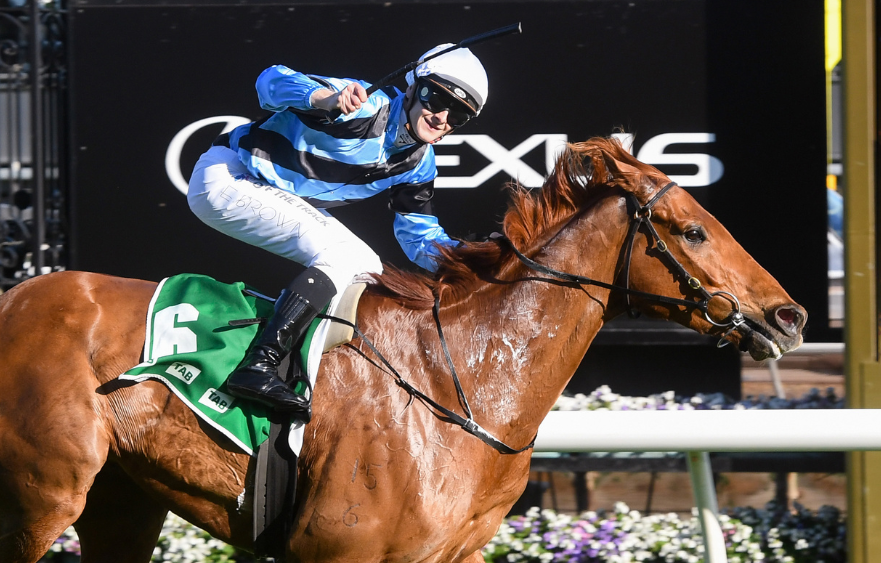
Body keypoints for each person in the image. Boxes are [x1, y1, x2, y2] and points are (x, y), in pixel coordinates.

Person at [187, 44, 489, 414]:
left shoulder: (420, 164)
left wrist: (473, 260)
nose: (441, 116)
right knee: (350, 256)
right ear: (411, 87)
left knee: (367, 268)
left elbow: (419, 236)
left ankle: (291, 366)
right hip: (230, 175)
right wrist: (324, 99)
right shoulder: (363, 105)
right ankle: (258, 365)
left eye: (458, 113)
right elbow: (269, 82)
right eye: (435, 98)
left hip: (269, 193)